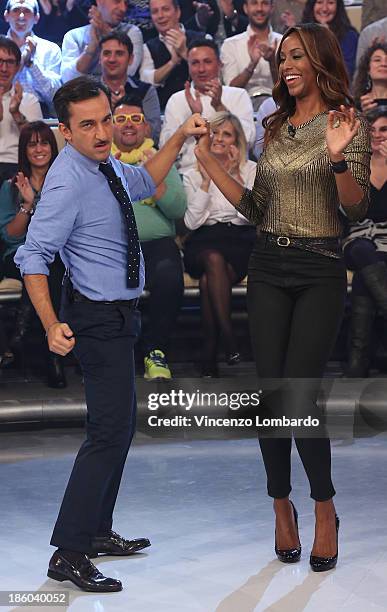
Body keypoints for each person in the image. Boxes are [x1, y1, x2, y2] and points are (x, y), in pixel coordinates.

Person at [14, 75, 207, 592]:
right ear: (66, 131)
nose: (102, 132)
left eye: (105, 119)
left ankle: (96, 531)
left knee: (118, 428)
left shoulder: (106, 168)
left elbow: (146, 181)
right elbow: (32, 258)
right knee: (106, 433)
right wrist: (52, 322)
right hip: (95, 319)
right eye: (88, 125)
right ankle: (69, 552)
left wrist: (180, 136)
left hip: (121, 315)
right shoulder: (66, 181)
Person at [193, 23, 370, 572]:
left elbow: (357, 208)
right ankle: (280, 506)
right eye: (281, 57)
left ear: (319, 62)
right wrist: (210, 164)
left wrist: (338, 157)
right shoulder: (273, 128)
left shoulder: (345, 123)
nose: (286, 65)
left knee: (300, 396)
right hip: (268, 263)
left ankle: (323, 506)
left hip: (319, 268)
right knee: (272, 397)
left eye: (296, 56)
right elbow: (255, 209)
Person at [112, 94, 186, 379]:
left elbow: (178, 209)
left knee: (169, 276)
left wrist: (150, 178)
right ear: (110, 128)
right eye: (120, 119)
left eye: (136, 119)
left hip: (157, 244)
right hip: (115, 245)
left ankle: (155, 351)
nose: (129, 125)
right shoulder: (100, 163)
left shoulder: (161, 160)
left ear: (146, 128)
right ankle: (116, 355)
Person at [183, 112, 256, 376]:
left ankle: (210, 351)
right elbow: (192, 223)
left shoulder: (251, 171)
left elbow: (249, 216)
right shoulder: (191, 173)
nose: (220, 139)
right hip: (203, 240)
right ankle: (229, 337)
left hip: (239, 239)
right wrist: (205, 180)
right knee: (212, 259)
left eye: (228, 134)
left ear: (238, 142)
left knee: (208, 281)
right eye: (215, 133)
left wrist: (235, 175)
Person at [0, 120, 66, 386]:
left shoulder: (66, 183)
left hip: (58, 254)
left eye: (44, 142)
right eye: (32, 144)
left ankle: (22, 333)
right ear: (24, 151)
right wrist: (27, 204)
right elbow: (10, 235)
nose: (39, 149)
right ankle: (53, 356)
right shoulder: (11, 186)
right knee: (35, 263)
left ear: (52, 146)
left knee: (50, 265)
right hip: (19, 255)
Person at [160, 38, 255, 173]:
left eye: (207, 62)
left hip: (231, 173)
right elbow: (165, 148)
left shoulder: (238, 95)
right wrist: (193, 119)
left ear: (219, 64)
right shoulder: (177, 100)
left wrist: (219, 107)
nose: (201, 69)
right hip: (189, 173)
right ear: (188, 67)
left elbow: (248, 140)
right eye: (195, 63)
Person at [344, 109, 387, 377]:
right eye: (371, 130)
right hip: (356, 237)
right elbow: (347, 212)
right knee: (362, 251)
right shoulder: (352, 165)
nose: (377, 136)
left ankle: (357, 361)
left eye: (383, 130)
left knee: (365, 276)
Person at [140, 0, 207, 110]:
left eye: (165, 9)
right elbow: (146, 79)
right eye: (155, 11)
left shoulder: (203, 38)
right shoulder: (148, 47)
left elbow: (213, 73)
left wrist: (185, 52)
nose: (160, 16)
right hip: (166, 112)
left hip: (204, 106)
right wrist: (172, 62)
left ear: (178, 12)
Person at [100, 30, 161, 144]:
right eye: (107, 53)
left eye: (119, 53)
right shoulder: (89, 92)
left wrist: (125, 111)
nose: (112, 59)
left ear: (131, 59)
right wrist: (110, 113)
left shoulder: (146, 91)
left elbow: (155, 135)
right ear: (99, 58)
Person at [60, 0, 143, 83]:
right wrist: (92, 47)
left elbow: (129, 73)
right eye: (117, 1)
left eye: (126, 3)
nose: (123, 9)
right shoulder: (74, 36)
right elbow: (67, 80)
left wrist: (106, 33)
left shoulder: (132, 32)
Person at [4, 0, 62, 116]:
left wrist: (31, 63)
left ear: (36, 18)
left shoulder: (50, 49)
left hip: (40, 113)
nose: (21, 16)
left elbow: (54, 96)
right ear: (6, 15)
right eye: (16, 10)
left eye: (27, 11)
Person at [220, 0, 281, 110]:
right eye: (254, 3)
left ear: (272, 8)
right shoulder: (231, 44)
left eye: (265, 3)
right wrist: (252, 64)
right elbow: (231, 89)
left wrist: (272, 62)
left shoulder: (284, 42)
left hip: (279, 107)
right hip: (241, 109)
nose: (259, 8)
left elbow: (287, 89)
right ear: (245, 8)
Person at [0, 35, 42, 186]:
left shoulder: (29, 100)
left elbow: (39, 142)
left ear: (18, 67)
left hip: (17, 170)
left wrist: (16, 113)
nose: (4, 68)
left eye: (10, 62)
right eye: (0, 61)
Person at [300, 0, 359, 80]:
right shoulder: (300, 33)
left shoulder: (350, 36)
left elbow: (346, 73)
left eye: (330, 3)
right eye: (319, 2)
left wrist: (327, 41)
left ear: (338, 7)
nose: (324, 9)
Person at [353, 43, 387, 114]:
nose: (383, 64)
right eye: (377, 60)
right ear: (368, 69)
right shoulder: (357, 103)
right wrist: (364, 115)